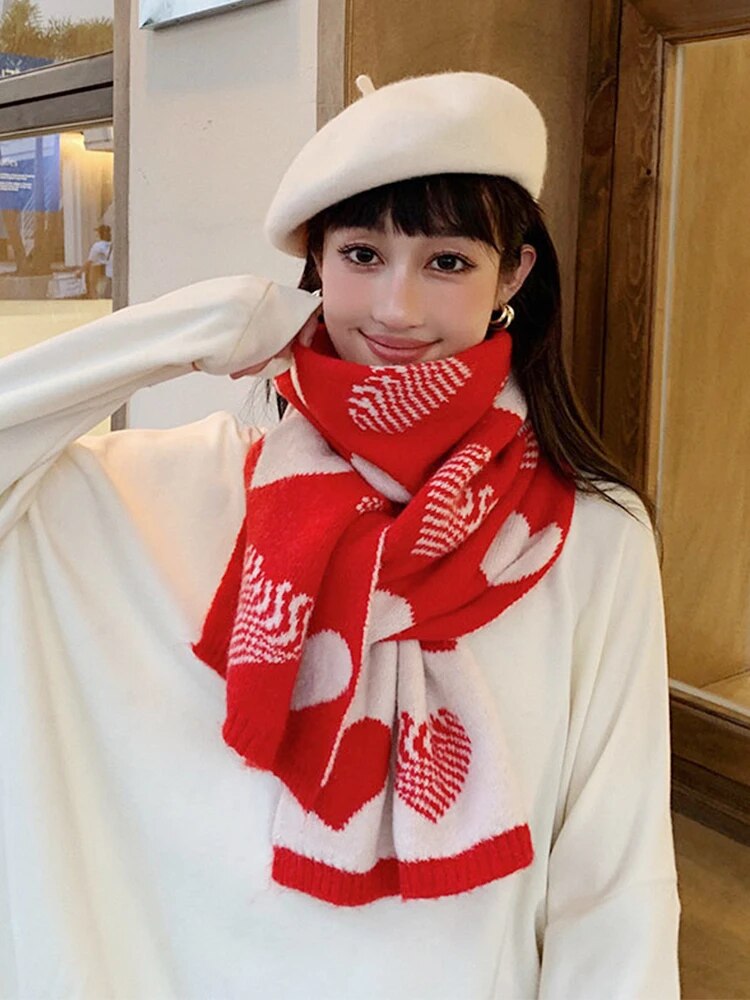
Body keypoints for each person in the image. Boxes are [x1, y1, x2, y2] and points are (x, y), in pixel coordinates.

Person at [0, 72, 681, 998]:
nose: (397, 308)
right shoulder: (195, 487)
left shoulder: (588, 535)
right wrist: (180, 331)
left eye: (448, 262)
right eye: (363, 253)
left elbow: (614, 883)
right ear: (315, 262)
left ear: (514, 275)